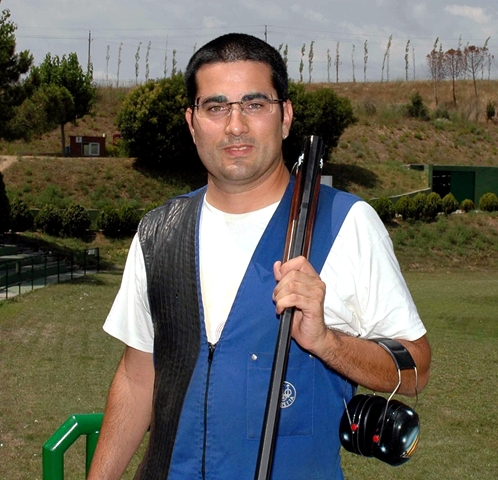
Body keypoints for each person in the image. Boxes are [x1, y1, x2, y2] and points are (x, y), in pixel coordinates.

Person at [88, 33, 431, 480]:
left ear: (285, 116)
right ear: (192, 122)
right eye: (216, 107)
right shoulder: (158, 232)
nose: (235, 126)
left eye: (254, 104)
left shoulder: (345, 223)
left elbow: (416, 367)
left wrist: (327, 342)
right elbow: (137, 378)